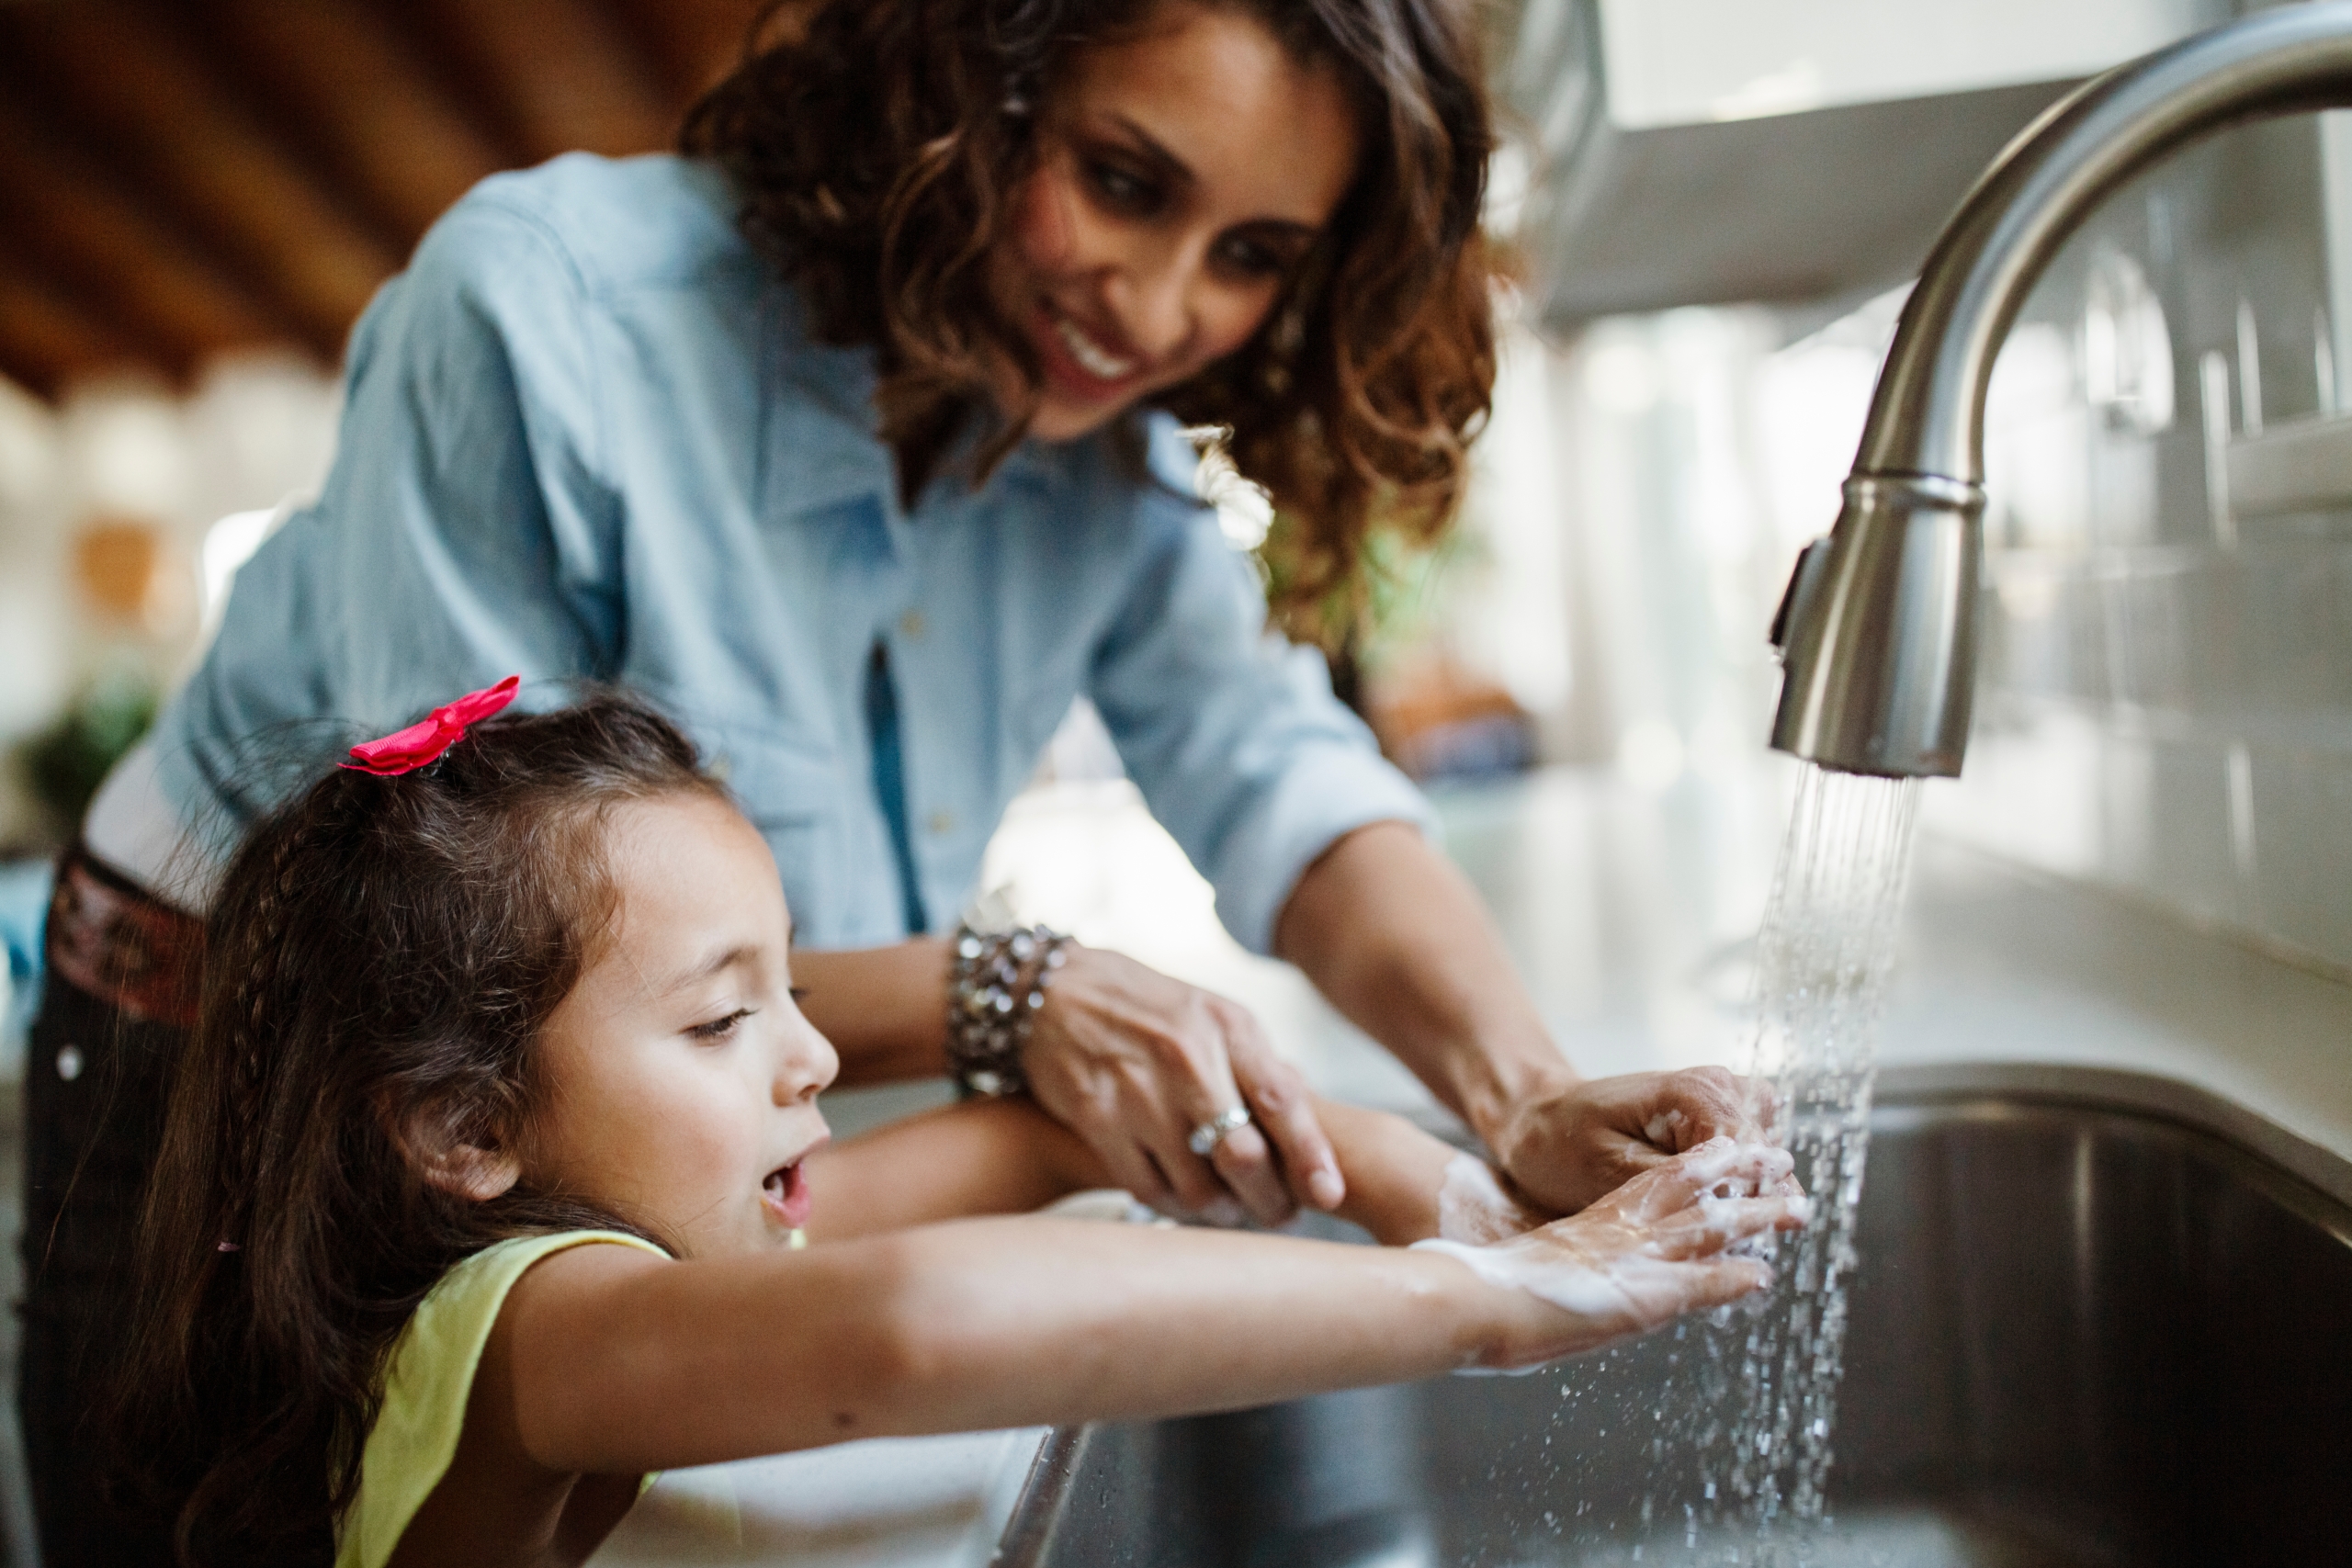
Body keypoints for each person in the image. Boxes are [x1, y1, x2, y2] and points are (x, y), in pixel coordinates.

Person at [29, 2, 1772, 1556]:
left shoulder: (1101, 449)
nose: (1162, 309)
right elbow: (490, 956)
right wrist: (1011, 995)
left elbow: (1275, 775)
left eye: (1250, 251)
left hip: (598, 1105)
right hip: (238, 1075)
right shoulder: (552, 312)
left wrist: (1512, 1103)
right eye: (1123, 179)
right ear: (964, 76)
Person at [105, 693, 1804, 1566]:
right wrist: (1497, 1305)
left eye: (788, 985)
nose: (813, 1052)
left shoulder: (653, 1248)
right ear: (465, 1128)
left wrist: (1454, 1190)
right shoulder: (524, 1327)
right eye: (720, 1017)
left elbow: (1053, 1139)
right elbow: (921, 1326)